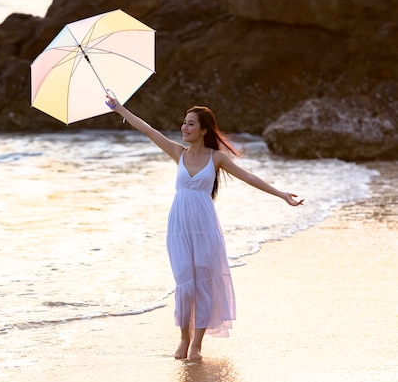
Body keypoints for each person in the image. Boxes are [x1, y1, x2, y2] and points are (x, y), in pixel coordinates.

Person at [106, 95, 304, 361]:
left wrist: (281, 194)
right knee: (184, 281)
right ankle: (183, 338)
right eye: (184, 123)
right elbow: (147, 129)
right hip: (178, 225)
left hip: (205, 226)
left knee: (204, 283)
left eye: (190, 124)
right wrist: (120, 109)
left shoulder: (217, 158)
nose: (184, 128)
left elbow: (249, 177)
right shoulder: (178, 153)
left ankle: (197, 344)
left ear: (203, 130)